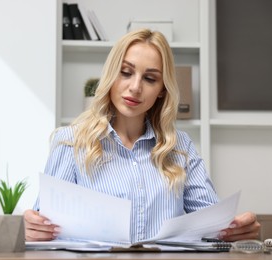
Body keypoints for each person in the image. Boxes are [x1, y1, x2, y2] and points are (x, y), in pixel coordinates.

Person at [24, 28, 260, 243]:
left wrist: (236, 229)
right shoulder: (70, 142)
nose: (135, 87)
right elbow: (42, 228)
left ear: (161, 90)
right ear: (111, 76)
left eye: (150, 78)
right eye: (126, 72)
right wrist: (32, 227)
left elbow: (215, 226)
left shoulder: (180, 148)